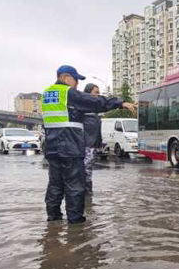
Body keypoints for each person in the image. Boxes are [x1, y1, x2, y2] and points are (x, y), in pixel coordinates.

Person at [42, 65, 136, 224]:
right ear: (65, 77)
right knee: (75, 186)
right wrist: (119, 103)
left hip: (52, 148)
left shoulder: (46, 94)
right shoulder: (68, 93)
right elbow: (94, 102)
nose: (77, 84)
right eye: (75, 79)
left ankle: (53, 221)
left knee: (55, 185)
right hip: (70, 147)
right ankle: (76, 226)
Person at [82, 83, 102, 195]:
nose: (97, 95)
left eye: (99, 93)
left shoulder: (94, 110)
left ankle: (88, 193)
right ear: (88, 93)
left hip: (93, 145)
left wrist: (99, 144)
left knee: (88, 170)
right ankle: (85, 192)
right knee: (85, 169)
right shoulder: (83, 109)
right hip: (86, 145)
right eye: (96, 92)